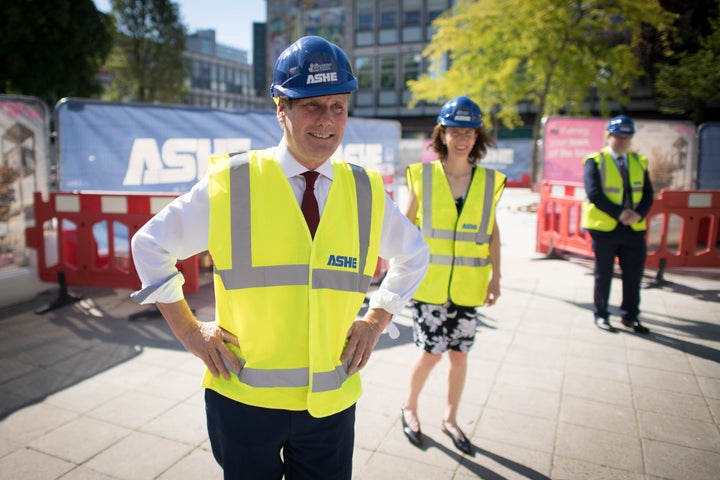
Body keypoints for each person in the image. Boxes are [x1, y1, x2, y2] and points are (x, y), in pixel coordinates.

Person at [130, 35, 429, 480]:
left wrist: (375, 321)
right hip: (244, 402)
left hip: (329, 405)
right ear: (281, 109)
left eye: (338, 107)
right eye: (312, 105)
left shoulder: (365, 191)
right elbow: (149, 246)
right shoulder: (233, 182)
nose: (327, 120)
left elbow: (415, 256)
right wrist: (191, 333)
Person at [400, 96, 505, 455]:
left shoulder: (489, 181)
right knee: (431, 353)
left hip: (468, 287)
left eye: (469, 132)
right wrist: (398, 280)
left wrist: (496, 278)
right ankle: (409, 408)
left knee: (459, 355)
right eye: (455, 131)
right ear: (441, 135)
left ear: (477, 137)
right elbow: (404, 230)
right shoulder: (422, 176)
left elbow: (492, 232)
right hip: (428, 286)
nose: (462, 138)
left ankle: (450, 418)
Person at [582, 115, 654, 334]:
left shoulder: (638, 161)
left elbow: (648, 193)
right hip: (605, 229)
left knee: (633, 275)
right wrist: (621, 214)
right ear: (609, 136)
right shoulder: (595, 160)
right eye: (618, 136)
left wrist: (638, 215)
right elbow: (594, 193)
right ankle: (601, 314)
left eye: (626, 137)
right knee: (603, 274)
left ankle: (630, 316)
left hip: (633, 229)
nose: (622, 141)